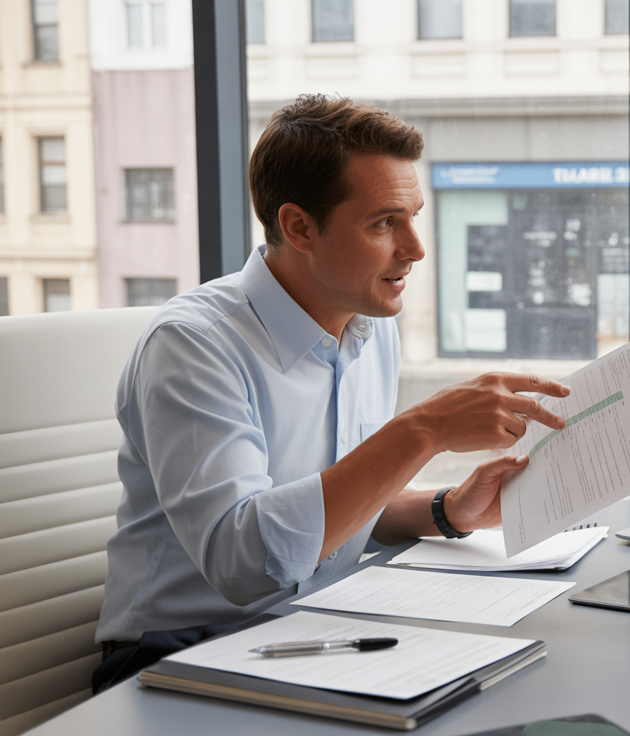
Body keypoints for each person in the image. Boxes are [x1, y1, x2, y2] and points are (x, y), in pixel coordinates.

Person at [93, 95, 570, 692]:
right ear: (298, 227)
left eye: (413, 217)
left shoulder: (371, 327)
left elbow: (329, 517)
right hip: (176, 653)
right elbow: (245, 563)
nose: (415, 248)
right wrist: (423, 430)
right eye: (384, 223)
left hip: (316, 627)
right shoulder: (193, 345)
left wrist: (445, 510)